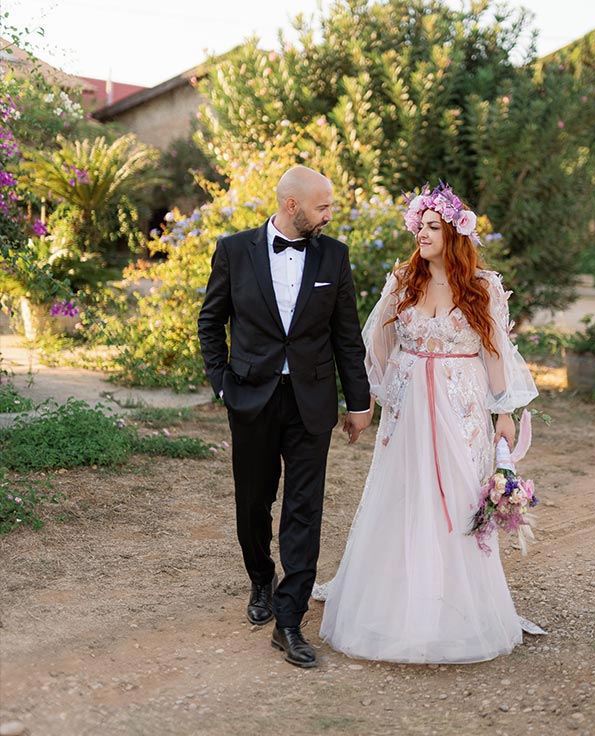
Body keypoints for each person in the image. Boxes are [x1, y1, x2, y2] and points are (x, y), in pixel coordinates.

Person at [313, 183, 542, 664]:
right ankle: (398, 601)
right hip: (410, 402)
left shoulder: (482, 287)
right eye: (419, 225)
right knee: (405, 491)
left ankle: (457, 604)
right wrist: (374, 395)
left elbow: (495, 352)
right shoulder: (402, 281)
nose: (422, 233)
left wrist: (504, 413)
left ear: (455, 234)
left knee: (458, 497)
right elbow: (377, 338)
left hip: (462, 406)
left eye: (432, 227)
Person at [197, 165, 373, 668]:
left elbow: (346, 336)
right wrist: (222, 383)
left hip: (311, 403)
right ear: (292, 205)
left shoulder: (334, 256)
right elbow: (211, 322)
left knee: (304, 509)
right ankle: (260, 579)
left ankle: (290, 621)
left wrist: (357, 403)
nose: (330, 215)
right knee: (253, 503)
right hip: (250, 397)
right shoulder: (234, 250)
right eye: (323, 206)